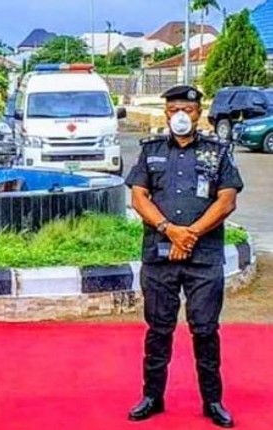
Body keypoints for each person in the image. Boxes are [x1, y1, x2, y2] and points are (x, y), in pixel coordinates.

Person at [125, 85, 243, 428]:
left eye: (188, 110)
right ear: (166, 113)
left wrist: (189, 235)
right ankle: (152, 396)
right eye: (174, 109)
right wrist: (170, 229)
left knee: (205, 330)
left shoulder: (218, 152)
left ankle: (213, 401)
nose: (181, 116)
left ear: (199, 112)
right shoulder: (150, 151)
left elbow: (226, 201)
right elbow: (138, 197)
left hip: (203, 258)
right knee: (158, 329)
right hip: (159, 256)